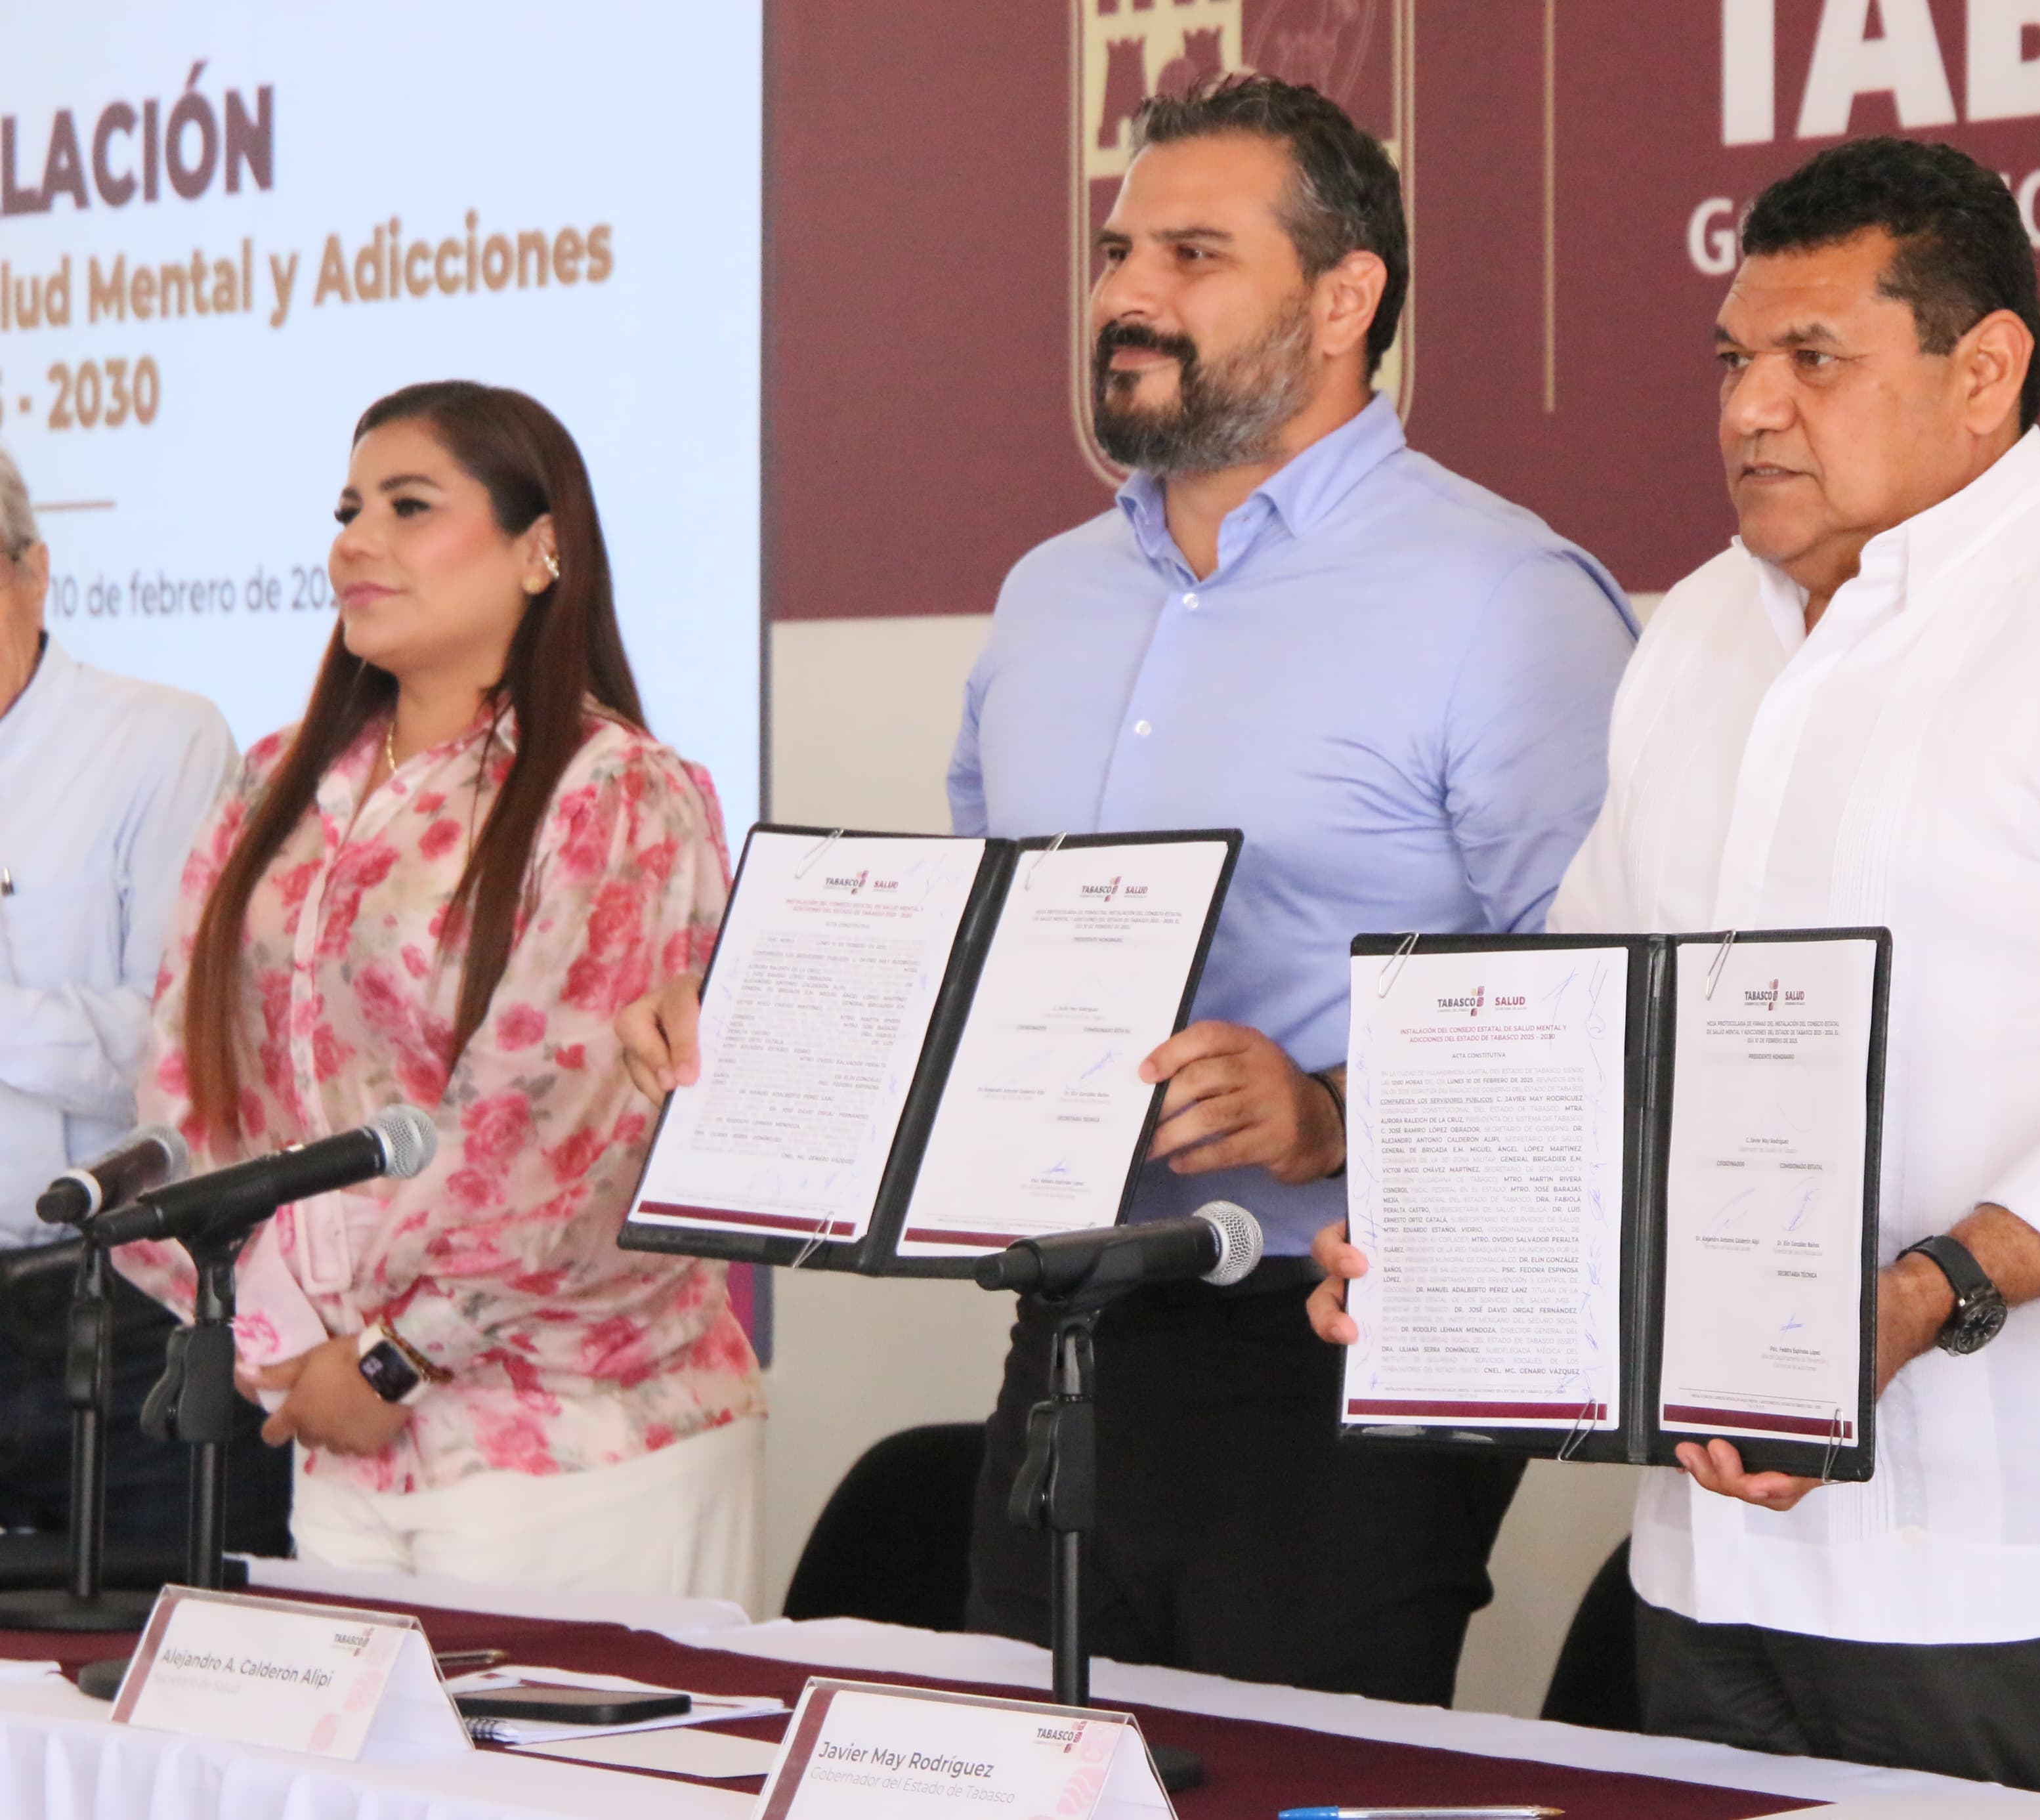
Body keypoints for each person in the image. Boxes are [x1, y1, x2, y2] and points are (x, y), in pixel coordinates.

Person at [1312, 137, 2040, 1804]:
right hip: (1714, 1545)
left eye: (1812, 360)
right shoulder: (1700, 629)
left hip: (2020, 1553)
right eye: (1732, 359)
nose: (1747, 409)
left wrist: (1919, 1295)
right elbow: (1592, 1005)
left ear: (1982, 371)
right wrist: (1434, 1228)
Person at [618, 75, 1634, 1702]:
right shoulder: (1047, 598)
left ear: (1344, 298)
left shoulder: (1501, 598)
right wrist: (758, 1023)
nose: (1127, 296)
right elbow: (983, 958)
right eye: (1113, 251)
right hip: (1073, 1320)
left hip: (1339, 1342)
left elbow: (1606, 1006)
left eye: (1192, 253)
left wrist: (1334, 1109)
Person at [115, 381, 763, 1607]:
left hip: (573, 1437)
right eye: (350, 508)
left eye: (410, 506)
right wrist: (273, 1341)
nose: (357, 540)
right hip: (330, 1421)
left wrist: (398, 1357)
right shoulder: (277, 784)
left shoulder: (612, 791)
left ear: (541, 549)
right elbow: (191, 1073)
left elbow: (568, 1126)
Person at [0, 444, 284, 1559]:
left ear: (35, 572)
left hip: (119, 1311)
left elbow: (170, 1048)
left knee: (153, 1663)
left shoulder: (158, 739)